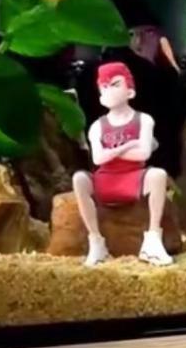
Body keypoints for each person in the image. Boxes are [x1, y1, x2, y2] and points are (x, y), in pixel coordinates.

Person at [72, 60, 173, 267]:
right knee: (79, 179)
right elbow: (98, 159)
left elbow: (143, 153)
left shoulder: (144, 120)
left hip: (135, 177)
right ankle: (96, 241)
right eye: (104, 86)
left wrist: (114, 152)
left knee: (158, 175)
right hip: (105, 179)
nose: (109, 90)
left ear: (130, 91)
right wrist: (128, 145)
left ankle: (153, 239)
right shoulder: (97, 126)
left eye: (115, 84)